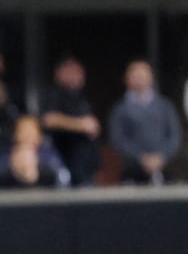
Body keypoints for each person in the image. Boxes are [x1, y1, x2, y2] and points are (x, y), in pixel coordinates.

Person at [107, 60, 181, 184]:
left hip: (164, 171)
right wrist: (141, 158)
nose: (139, 79)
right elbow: (117, 139)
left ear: (151, 78)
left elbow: (174, 136)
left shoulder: (165, 106)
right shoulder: (119, 110)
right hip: (132, 172)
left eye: (143, 74)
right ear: (126, 79)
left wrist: (161, 157)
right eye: (135, 75)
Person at [39, 57, 101, 187]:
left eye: (79, 71)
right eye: (72, 71)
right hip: (67, 168)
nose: (77, 75)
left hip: (86, 170)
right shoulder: (54, 94)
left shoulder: (80, 97)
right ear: (59, 73)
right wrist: (81, 125)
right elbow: (49, 119)